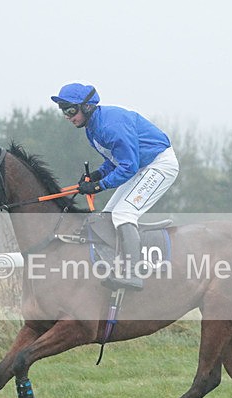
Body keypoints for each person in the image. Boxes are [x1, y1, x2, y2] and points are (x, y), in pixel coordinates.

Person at [51, 82, 179, 291]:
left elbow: (128, 166)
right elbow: (114, 160)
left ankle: (133, 274)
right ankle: (116, 266)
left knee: (123, 214)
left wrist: (98, 186)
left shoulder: (110, 126)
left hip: (159, 164)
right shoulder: (92, 129)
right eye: (63, 110)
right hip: (141, 166)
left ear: (87, 107)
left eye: (71, 110)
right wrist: (97, 175)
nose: (67, 116)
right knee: (106, 217)